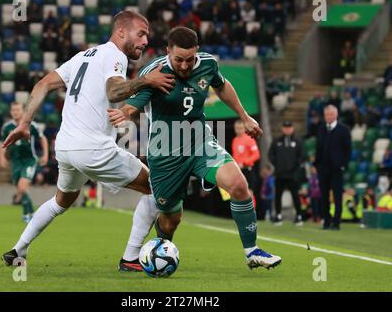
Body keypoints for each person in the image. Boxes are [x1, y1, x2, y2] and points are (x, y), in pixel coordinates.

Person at [1, 11, 175, 269]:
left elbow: (42, 84)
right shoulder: (115, 56)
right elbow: (115, 90)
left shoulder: (83, 56)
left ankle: (18, 249)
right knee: (155, 186)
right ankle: (130, 258)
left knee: (61, 201)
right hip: (92, 148)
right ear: (120, 32)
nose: (145, 41)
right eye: (141, 34)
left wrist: (25, 122)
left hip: (66, 147)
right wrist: (146, 80)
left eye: (147, 36)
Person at [109, 26, 282, 270]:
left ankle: (252, 250)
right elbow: (132, 106)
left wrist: (244, 116)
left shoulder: (208, 64)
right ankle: (160, 249)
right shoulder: (154, 72)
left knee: (239, 185)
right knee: (171, 220)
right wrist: (124, 113)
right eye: (178, 59)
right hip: (166, 153)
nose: (183, 66)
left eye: (189, 60)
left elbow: (221, 86)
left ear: (197, 52)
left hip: (200, 142)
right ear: (167, 51)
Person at [0, 102, 49, 223]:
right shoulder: (7, 127)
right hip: (15, 161)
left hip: (29, 160)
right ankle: (29, 213)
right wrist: (2, 158)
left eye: (17, 110)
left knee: (22, 187)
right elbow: (2, 144)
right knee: (21, 189)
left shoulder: (31, 125)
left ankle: (27, 213)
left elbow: (42, 138)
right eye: (13, 110)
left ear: (23, 111)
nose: (15, 112)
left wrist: (45, 154)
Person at [315, 105, 351, 230]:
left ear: (336, 115)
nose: (329, 117)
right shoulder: (321, 129)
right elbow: (318, 149)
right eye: (327, 115)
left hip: (336, 168)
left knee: (337, 196)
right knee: (324, 196)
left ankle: (336, 222)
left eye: (331, 114)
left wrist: (343, 165)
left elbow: (348, 150)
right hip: (323, 168)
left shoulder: (344, 130)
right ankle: (326, 220)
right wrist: (316, 164)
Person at [268, 121, 304, 226]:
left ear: (292, 128)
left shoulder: (298, 141)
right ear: (282, 129)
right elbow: (271, 154)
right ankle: (278, 215)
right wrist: (277, 164)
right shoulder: (277, 141)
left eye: (289, 127)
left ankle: (299, 215)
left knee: (295, 195)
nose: (287, 129)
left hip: (293, 174)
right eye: (285, 127)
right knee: (278, 195)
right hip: (280, 173)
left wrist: (295, 166)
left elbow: (301, 156)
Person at [232, 119, 261, 196]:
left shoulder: (249, 139)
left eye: (240, 128)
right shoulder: (235, 140)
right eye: (237, 128)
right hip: (238, 171)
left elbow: (256, 155)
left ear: (244, 128)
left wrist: (244, 162)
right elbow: (235, 155)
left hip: (247, 170)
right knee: (239, 193)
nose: (238, 130)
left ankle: (251, 208)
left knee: (249, 193)